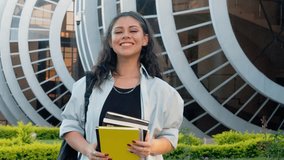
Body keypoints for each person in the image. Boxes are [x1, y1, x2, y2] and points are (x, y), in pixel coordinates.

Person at [59, 11, 184, 160]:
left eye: (133, 30)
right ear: (111, 42)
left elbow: (170, 136)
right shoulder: (88, 85)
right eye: (118, 31)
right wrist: (87, 150)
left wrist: (151, 146)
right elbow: (70, 125)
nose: (126, 35)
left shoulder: (163, 92)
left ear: (145, 39)